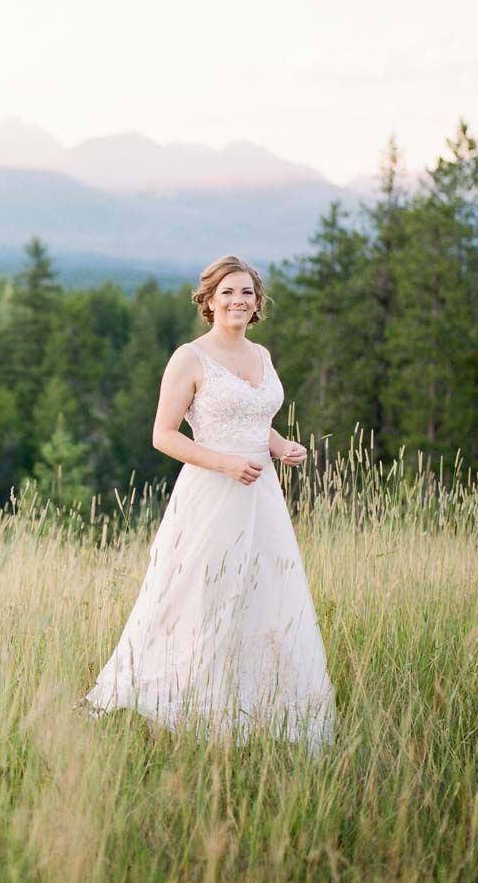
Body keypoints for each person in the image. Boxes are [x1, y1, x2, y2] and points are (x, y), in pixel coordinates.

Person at [79, 255, 336, 751]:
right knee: (198, 595)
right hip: (211, 495)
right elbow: (163, 436)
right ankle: (177, 698)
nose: (238, 301)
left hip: (261, 497)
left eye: (247, 293)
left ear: (257, 304)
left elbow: (255, 418)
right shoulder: (190, 358)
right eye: (228, 293)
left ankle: (258, 709)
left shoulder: (261, 356)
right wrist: (222, 464)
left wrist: (280, 446)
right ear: (209, 301)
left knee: (263, 596)